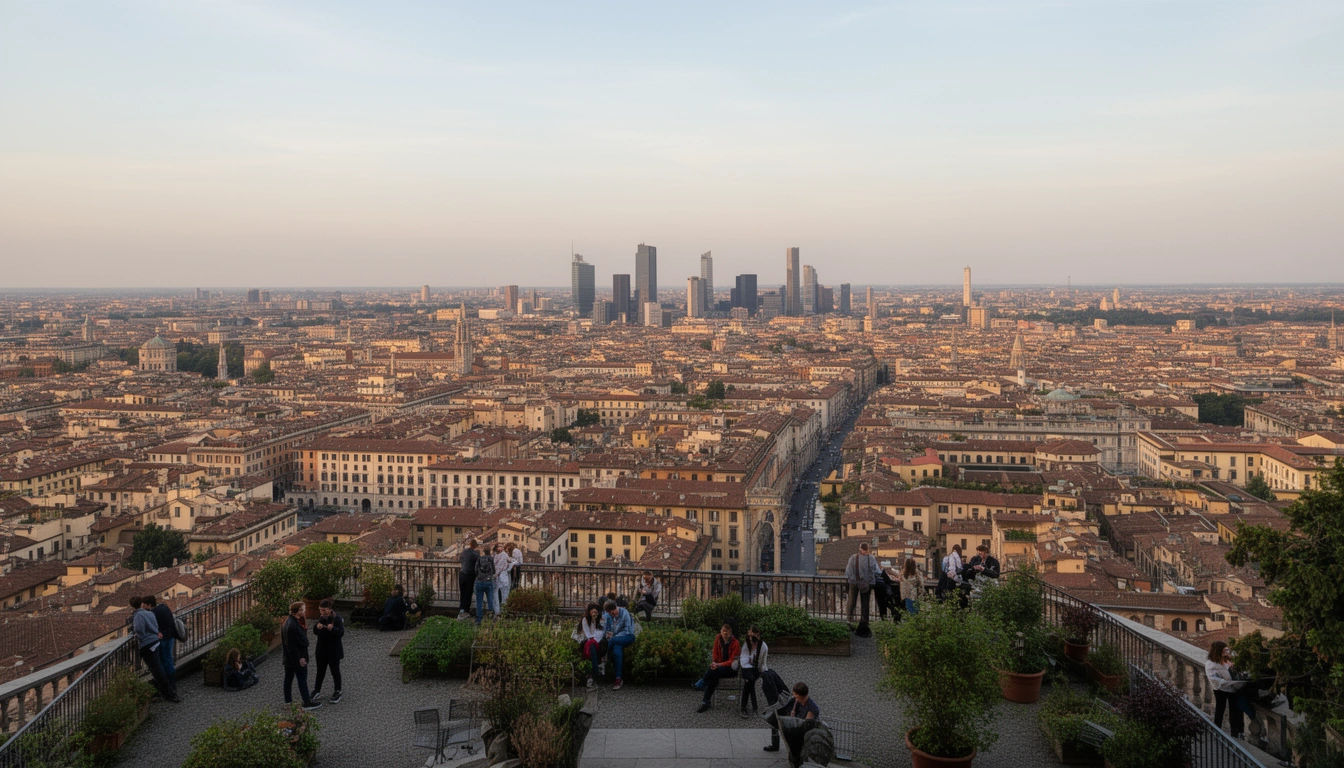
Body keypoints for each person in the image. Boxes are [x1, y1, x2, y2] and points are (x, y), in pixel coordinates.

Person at [130, 596, 180, 703]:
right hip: (157, 641)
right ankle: (171, 689)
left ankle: (169, 693)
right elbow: (156, 626)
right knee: (164, 664)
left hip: (148, 644)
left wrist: (140, 636)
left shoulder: (138, 615)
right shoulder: (152, 613)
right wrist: (156, 633)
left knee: (158, 670)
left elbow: (139, 629)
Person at [1206, 641, 1252, 740]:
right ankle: (1217, 729)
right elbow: (1213, 679)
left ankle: (1235, 733)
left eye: (1226, 650)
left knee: (1234, 710)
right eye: (1223, 650)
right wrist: (1225, 681)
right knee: (1220, 709)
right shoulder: (1211, 663)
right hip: (1221, 689)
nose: (1226, 651)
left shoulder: (1228, 660)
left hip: (1233, 689)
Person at [281, 601, 321, 710]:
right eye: (303, 609)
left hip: (289, 659)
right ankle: (306, 701)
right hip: (296, 658)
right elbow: (292, 646)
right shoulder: (292, 625)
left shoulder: (288, 622)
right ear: (298, 611)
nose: (305, 611)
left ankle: (288, 701)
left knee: (288, 679)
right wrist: (299, 659)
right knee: (302, 678)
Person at [695, 623, 741, 712]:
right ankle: (705, 703)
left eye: (727, 632)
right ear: (721, 631)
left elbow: (732, 661)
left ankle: (703, 682)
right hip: (718, 667)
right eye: (723, 631)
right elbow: (715, 653)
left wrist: (718, 665)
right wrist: (714, 663)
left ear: (730, 633)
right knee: (713, 676)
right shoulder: (718, 638)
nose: (725, 634)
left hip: (730, 669)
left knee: (713, 673)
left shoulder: (735, 643)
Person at [764, 681, 820, 752]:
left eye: (795, 695)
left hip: (805, 727)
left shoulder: (812, 708)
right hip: (796, 721)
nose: (794, 697)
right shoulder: (795, 700)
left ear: (799, 695)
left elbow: (805, 724)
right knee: (776, 721)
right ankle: (775, 745)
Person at [312, 598, 345, 704]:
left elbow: (341, 633)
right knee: (320, 671)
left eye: (324, 610)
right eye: (320, 610)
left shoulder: (337, 618)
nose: (322, 612)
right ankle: (317, 690)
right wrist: (317, 627)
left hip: (333, 650)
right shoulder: (321, 618)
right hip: (321, 650)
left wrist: (333, 629)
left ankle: (337, 690)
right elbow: (315, 631)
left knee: (335, 671)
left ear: (330, 609)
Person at [844, 542, 879, 635]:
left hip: (854, 583)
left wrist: (853, 580)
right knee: (865, 604)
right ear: (868, 549)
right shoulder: (871, 558)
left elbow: (848, 572)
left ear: (860, 548)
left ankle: (849, 620)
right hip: (866, 584)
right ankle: (864, 622)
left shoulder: (853, 558)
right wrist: (871, 583)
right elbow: (875, 571)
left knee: (851, 602)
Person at [143, 594, 180, 680]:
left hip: (162, 638)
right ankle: (171, 678)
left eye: (144, 604)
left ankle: (168, 680)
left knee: (163, 660)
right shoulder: (164, 607)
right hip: (171, 636)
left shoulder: (152, 613)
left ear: (149, 605)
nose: (143, 606)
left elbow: (151, 626)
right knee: (169, 658)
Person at [602, 599, 635, 690]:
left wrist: (615, 637)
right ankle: (618, 678)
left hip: (627, 636)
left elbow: (628, 630)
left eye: (611, 612)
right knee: (617, 651)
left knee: (613, 641)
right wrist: (609, 635)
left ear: (614, 609)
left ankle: (606, 657)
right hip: (616, 640)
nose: (611, 614)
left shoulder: (624, 613)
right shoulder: (609, 617)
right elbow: (607, 630)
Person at [738, 626, 769, 718]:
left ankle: (743, 707)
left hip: (756, 669)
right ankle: (753, 706)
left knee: (749, 681)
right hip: (746, 667)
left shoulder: (763, 647)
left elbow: (761, 664)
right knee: (749, 680)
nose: (752, 642)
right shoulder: (746, 643)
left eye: (754, 638)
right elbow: (743, 659)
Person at [576, 602, 605, 689]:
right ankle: (595, 674)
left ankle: (593, 674)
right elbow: (588, 634)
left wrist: (595, 621)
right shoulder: (585, 620)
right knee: (591, 646)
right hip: (589, 642)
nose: (594, 614)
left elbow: (600, 633)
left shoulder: (601, 620)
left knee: (593, 646)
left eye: (595, 612)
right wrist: (592, 621)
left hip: (598, 642)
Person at [474, 544, 497, 624]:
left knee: (479, 601)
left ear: (483, 552)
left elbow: (475, 570)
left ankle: (479, 619)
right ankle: (491, 617)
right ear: (489, 552)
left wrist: (480, 576)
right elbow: (493, 570)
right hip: (488, 582)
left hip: (479, 581)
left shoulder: (479, 559)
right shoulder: (491, 559)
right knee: (490, 600)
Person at [458, 539, 479, 619]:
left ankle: (461, 610)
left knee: (462, 593)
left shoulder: (464, 551)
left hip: (462, 574)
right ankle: (466, 611)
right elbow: (478, 563)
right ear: (475, 546)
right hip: (470, 575)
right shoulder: (475, 554)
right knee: (468, 593)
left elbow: (461, 560)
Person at [493, 543, 513, 613]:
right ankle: (497, 611)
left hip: (502, 576)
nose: (500, 548)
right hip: (497, 576)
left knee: (504, 594)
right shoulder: (495, 555)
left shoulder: (504, 555)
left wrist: (496, 574)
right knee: (496, 594)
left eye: (501, 546)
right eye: (499, 546)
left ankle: (504, 610)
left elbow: (500, 566)